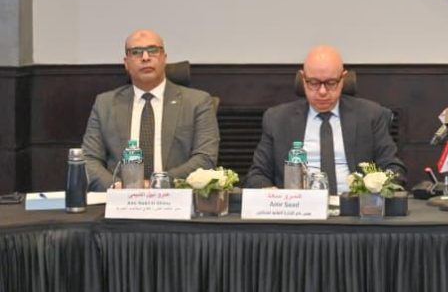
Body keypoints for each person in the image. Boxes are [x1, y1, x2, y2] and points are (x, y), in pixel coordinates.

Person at [245, 45, 405, 193]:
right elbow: (257, 174)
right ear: (303, 78)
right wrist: (272, 194)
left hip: (353, 207)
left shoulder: (370, 115)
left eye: (331, 83)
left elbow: (394, 168)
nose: (322, 91)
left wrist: (371, 191)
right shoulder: (277, 119)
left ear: (343, 79)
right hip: (298, 208)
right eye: (313, 83)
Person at [81, 29, 220, 191]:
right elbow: (89, 159)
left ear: (164, 58)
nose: (145, 57)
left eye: (153, 50)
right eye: (136, 52)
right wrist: (118, 187)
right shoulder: (105, 104)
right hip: (120, 198)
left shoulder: (197, 102)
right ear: (126, 63)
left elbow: (205, 158)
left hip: (175, 197)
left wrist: (157, 184)